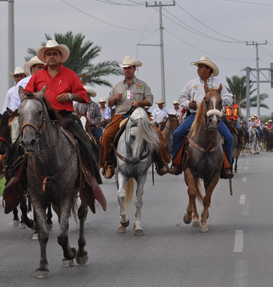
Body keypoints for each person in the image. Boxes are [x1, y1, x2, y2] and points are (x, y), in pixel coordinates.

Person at [24, 40, 105, 204]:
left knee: (87, 143)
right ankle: (20, 182)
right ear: (44, 58)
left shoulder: (70, 74)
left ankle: (92, 179)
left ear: (61, 57)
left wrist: (69, 96)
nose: (51, 56)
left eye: (55, 54)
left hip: (66, 116)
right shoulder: (37, 76)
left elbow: (82, 95)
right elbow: (27, 95)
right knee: (20, 144)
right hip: (42, 118)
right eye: (49, 54)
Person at [99, 56, 171, 178]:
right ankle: (108, 164)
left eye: (129, 68)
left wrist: (139, 103)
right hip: (121, 115)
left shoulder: (142, 85)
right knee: (106, 136)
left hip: (140, 116)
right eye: (125, 68)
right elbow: (108, 102)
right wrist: (113, 98)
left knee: (158, 134)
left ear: (134, 69)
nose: (127, 70)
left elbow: (150, 100)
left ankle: (161, 161)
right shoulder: (117, 86)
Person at [169, 56, 234, 179]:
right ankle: (176, 163)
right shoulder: (191, 83)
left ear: (209, 69)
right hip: (195, 116)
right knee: (177, 134)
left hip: (214, 115)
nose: (198, 69)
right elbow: (182, 98)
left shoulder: (218, 84)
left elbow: (229, 99)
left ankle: (226, 167)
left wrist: (219, 100)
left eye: (201, 66)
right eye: (198, 67)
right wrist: (189, 104)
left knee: (229, 138)